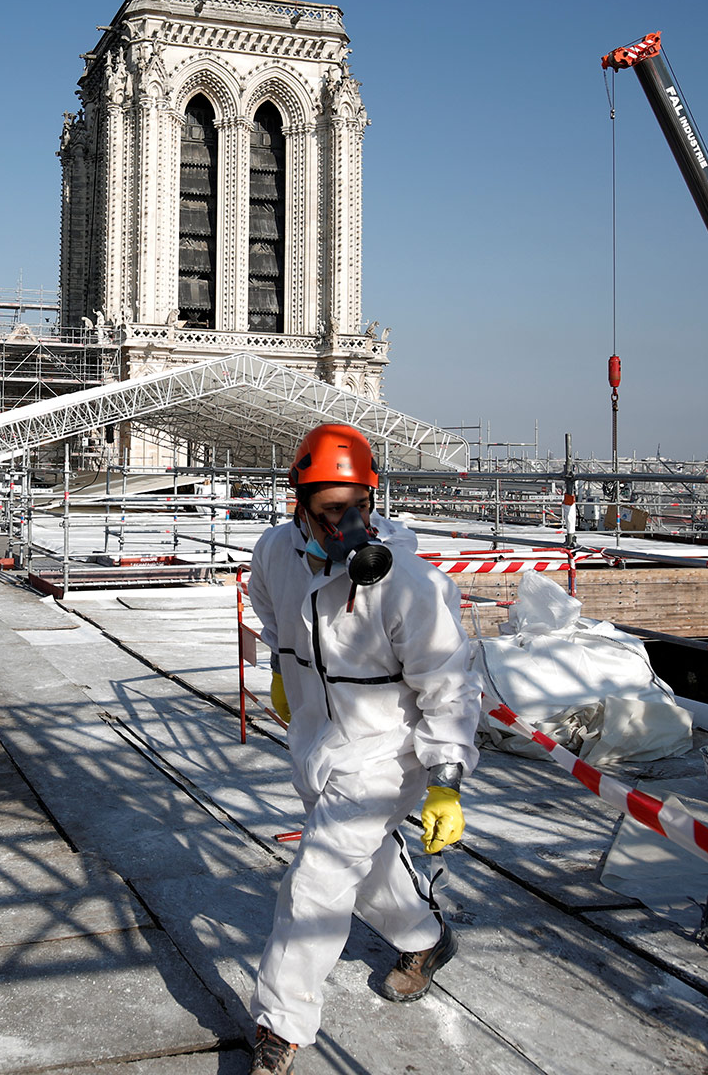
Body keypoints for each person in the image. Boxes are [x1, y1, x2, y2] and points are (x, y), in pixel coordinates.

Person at [246, 423, 481, 1075]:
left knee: (316, 884)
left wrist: (444, 779)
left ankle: (279, 1026)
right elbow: (270, 617)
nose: (350, 522)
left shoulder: (409, 583)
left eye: (360, 506)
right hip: (315, 744)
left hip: (387, 752)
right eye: (332, 511)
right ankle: (426, 940)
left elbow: (447, 688)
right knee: (367, 867)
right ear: (298, 504)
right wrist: (278, 672)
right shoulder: (273, 554)